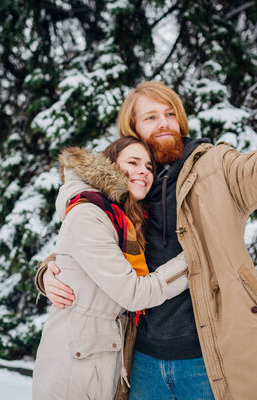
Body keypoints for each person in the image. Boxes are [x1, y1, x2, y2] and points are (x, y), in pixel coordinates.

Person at [36, 64, 257, 399]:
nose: (164, 122)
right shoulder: (127, 187)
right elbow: (91, 236)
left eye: (170, 114)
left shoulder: (216, 167)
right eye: (150, 117)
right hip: (141, 360)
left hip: (209, 360)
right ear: (132, 129)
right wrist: (51, 270)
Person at [32, 137, 190, 399]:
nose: (144, 171)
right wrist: (193, 259)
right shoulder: (90, 214)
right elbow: (134, 293)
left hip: (94, 360)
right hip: (74, 369)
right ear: (110, 166)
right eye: (133, 163)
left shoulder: (123, 217)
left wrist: (45, 270)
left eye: (149, 167)